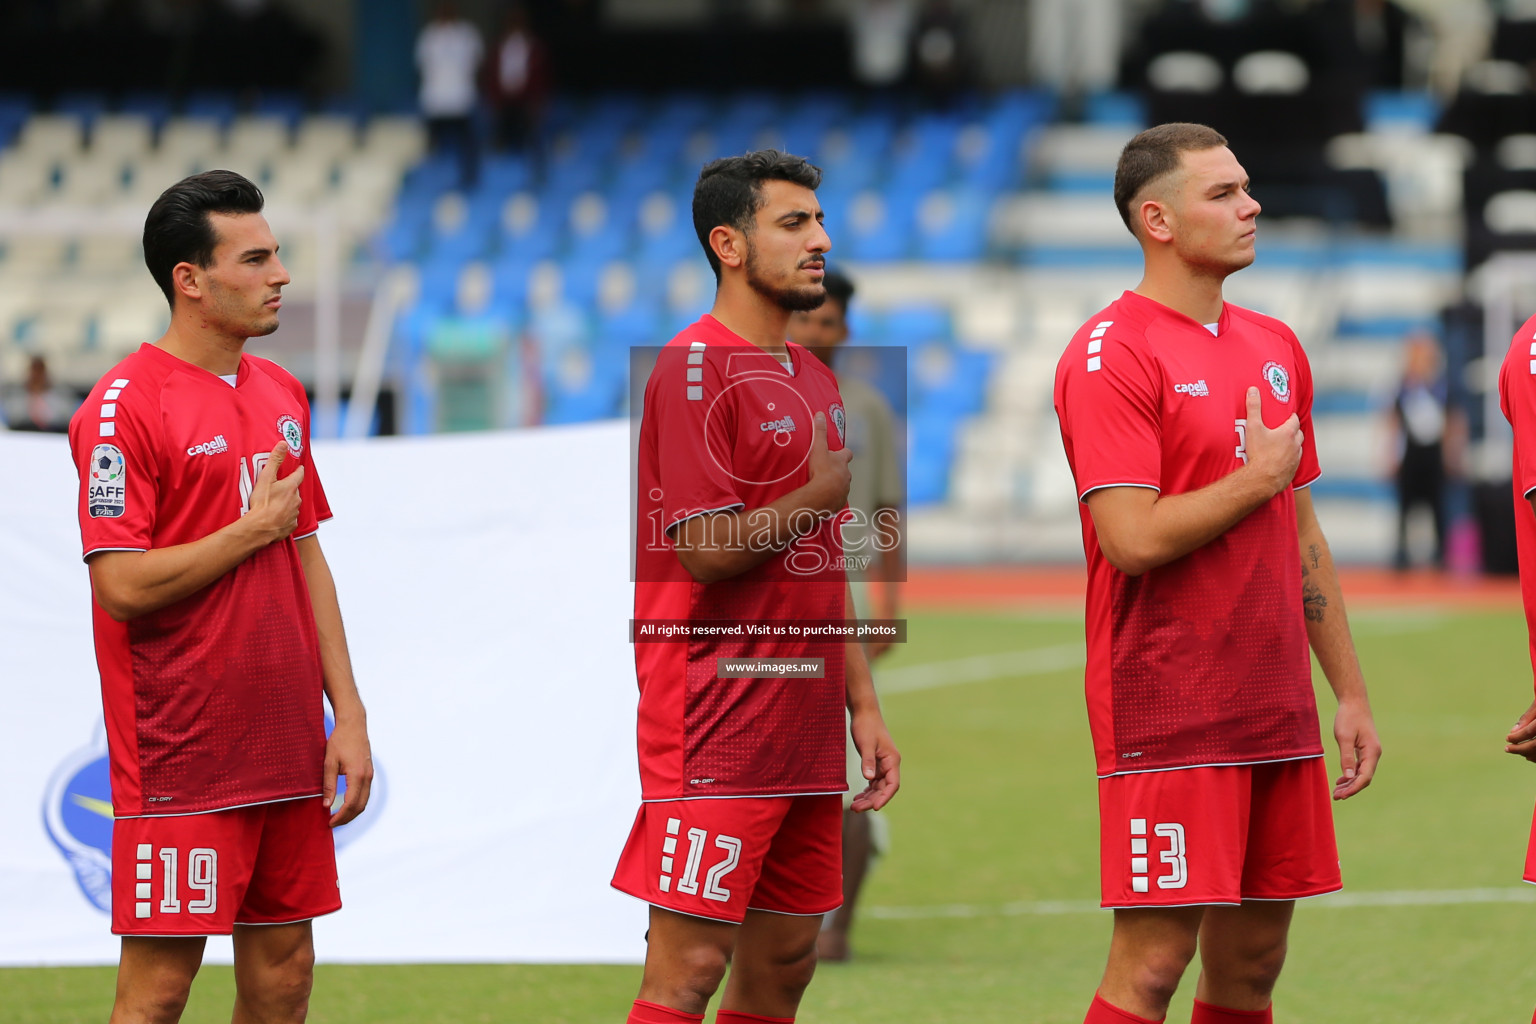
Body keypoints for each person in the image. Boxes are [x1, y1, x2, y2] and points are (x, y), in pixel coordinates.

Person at [1052, 123, 1381, 1024]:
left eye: (1246, 186)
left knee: (1253, 968)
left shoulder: (1277, 344)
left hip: (1275, 703)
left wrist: (1346, 692)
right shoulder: (1111, 353)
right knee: (1153, 965)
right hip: (1168, 703)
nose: (1252, 206)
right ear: (1156, 219)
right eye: (1224, 194)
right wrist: (1259, 477)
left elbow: (1301, 533)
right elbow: (1131, 538)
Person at [67, 169, 373, 1024]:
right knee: (159, 991)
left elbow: (306, 552)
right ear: (189, 280)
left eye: (277, 255)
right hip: (183, 752)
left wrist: (345, 713)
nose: (280, 275)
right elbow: (121, 586)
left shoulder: (280, 392)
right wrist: (247, 530)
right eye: (256, 258)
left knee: (285, 979)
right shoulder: (121, 408)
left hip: (285, 740)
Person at [614, 150, 901, 1024]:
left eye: (818, 221)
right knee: (691, 966)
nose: (820, 240)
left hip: (805, 716)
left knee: (784, 963)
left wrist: (862, 707)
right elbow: (703, 552)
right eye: (794, 224)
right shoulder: (692, 370)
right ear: (729, 244)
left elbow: (825, 566)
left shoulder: (814, 380)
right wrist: (816, 493)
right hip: (716, 714)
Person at [786, 270, 903, 963]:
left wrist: (891, 601)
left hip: (845, 605)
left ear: (845, 329)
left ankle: (837, 930)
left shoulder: (867, 408)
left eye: (828, 322)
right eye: (808, 320)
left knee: (852, 774)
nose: (817, 332)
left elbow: (887, 508)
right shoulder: (761, 398)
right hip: (774, 611)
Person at [1386, 330, 1461, 570]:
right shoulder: (1402, 388)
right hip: (1411, 455)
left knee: (1438, 507)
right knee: (1404, 508)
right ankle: (1402, 554)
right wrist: (1391, 454)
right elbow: (1393, 422)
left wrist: (1452, 453)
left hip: (1434, 455)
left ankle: (1441, 555)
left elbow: (1453, 422)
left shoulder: (1442, 388)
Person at [416, 0, 483, 189]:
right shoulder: (429, 35)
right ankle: (431, 183)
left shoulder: (467, 34)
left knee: (466, 145)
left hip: (461, 99)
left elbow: (477, 64)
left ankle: (469, 181)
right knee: (432, 147)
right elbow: (422, 66)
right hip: (435, 101)